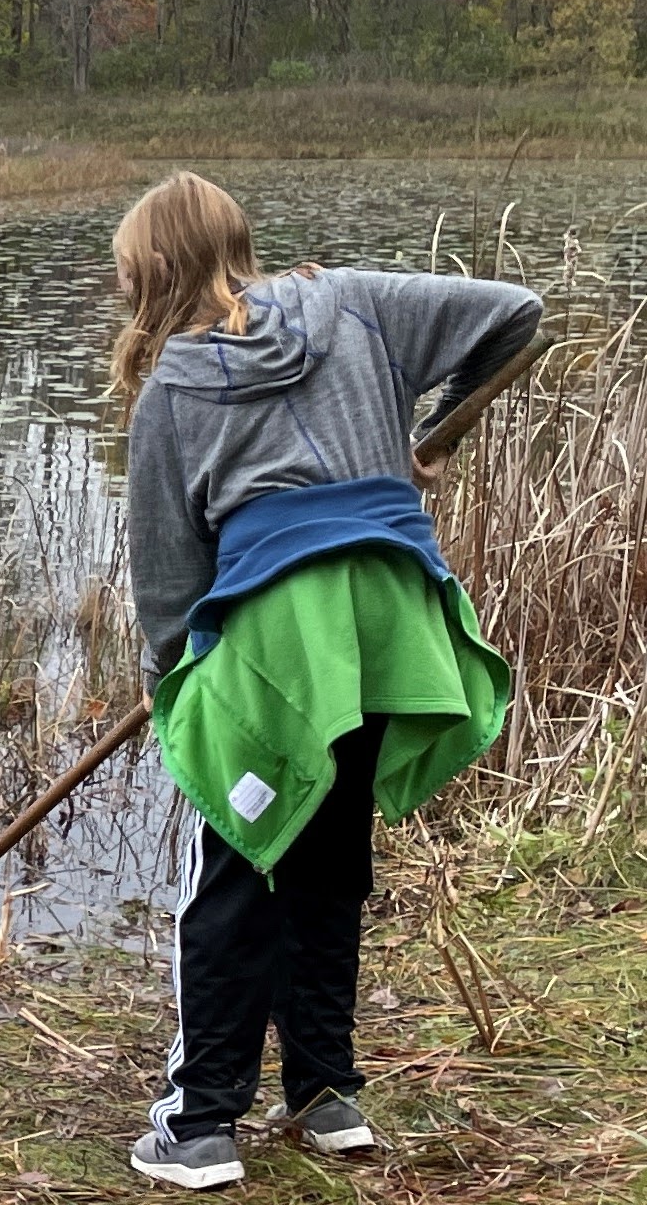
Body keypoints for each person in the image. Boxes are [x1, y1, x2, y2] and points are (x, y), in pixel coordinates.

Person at [112, 172, 543, 1190]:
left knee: (238, 857)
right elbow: (516, 316)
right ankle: (323, 1095)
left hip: (287, 634)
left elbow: (167, 570)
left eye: (132, 280)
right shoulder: (352, 299)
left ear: (160, 271)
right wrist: (410, 435)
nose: (130, 300)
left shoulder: (174, 382)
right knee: (327, 847)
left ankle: (200, 1125)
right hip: (389, 616)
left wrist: (166, 683)